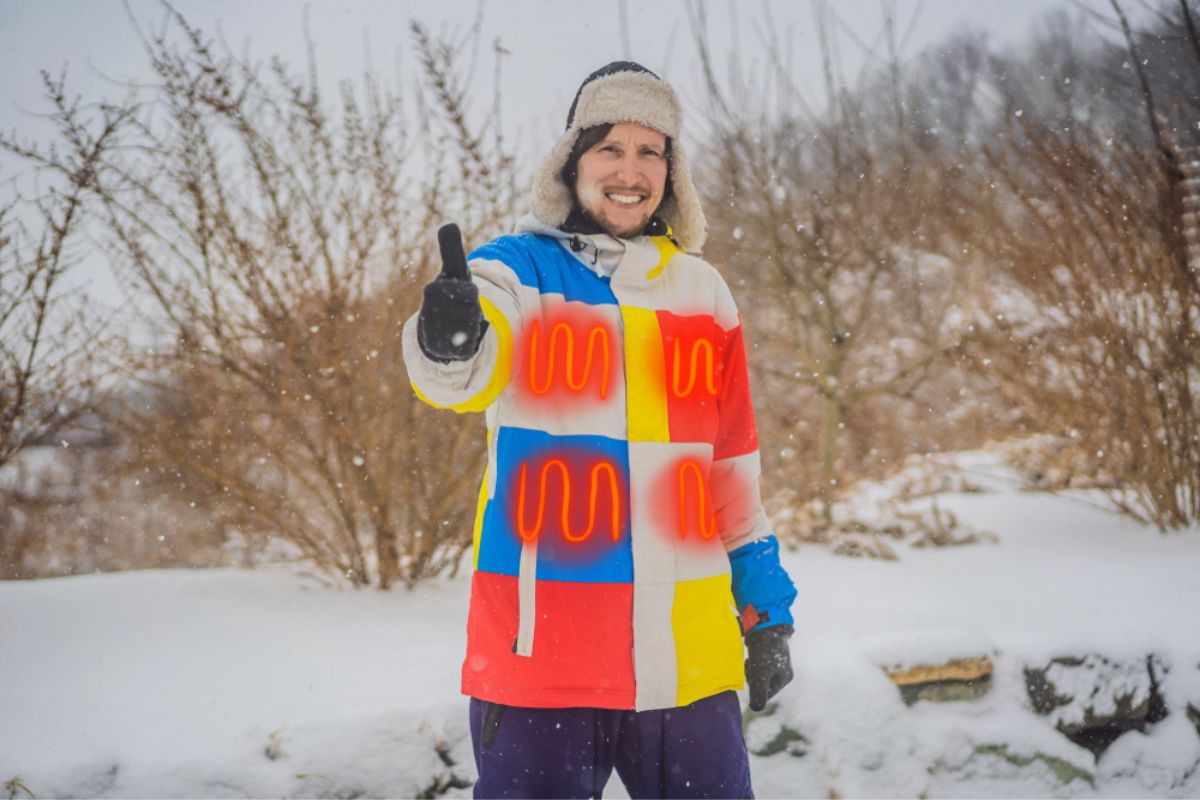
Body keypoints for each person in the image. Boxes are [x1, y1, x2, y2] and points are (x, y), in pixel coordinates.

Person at [402, 61, 798, 799]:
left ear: (672, 173)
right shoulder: (515, 271)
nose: (631, 170)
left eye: (652, 151)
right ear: (573, 163)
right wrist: (446, 335)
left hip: (687, 655)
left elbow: (731, 473)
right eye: (610, 147)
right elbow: (461, 373)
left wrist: (765, 607)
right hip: (541, 655)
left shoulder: (703, 292)